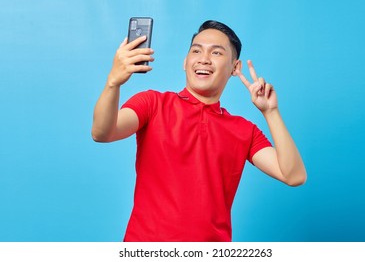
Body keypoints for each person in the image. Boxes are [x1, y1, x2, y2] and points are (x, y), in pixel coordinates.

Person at [92, 20, 307, 242]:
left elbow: (294, 176)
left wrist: (271, 112)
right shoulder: (152, 103)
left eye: (216, 52)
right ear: (185, 62)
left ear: (235, 68)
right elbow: (103, 132)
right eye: (196, 50)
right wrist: (113, 83)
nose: (204, 58)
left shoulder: (244, 130)